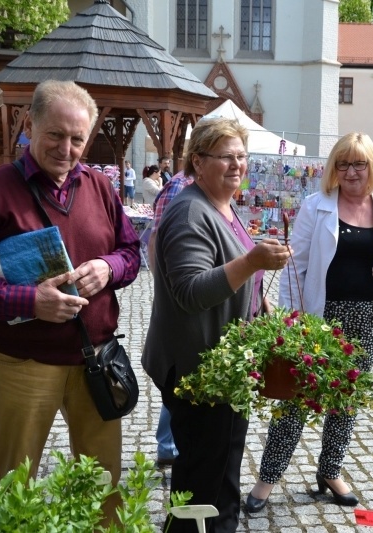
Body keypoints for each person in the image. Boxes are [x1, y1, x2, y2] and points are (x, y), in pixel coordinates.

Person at [0, 80, 141, 523]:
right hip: (25, 363)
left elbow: (131, 252)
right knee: (14, 484)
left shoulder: (101, 187)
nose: (66, 149)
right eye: (55, 135)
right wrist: (30, 301)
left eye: (77, 139)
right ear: (30, 126)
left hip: (96, 360)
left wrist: (108, 267)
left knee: (104, 487)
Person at [142, 117, 291, 533]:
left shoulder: (224, 205)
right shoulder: (190, 211)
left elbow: (234, 272)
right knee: (202, 482)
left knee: (220, 471)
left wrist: (260, 303)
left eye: (241, 156)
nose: (237, 164)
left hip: (224, 369)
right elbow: (190, 291)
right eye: (226, 156)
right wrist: (253, 261)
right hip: (198, 370)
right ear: (198, 161)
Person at [245, 132, 373, 512]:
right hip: (320, 318)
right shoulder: (316, 206)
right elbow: (294, 267)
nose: (351, 172)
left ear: (371, 166)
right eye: (343, 164)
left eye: (359, 164)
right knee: (297, 397)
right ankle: (268, 477)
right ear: (334, 168)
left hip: (368, 318)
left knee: (346, 399)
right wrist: (290, 322)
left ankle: (330, 470)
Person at [146, 168, 193, 469]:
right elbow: (156, 237)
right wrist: (164, 286)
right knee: (179, 374)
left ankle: (168, 444)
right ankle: (167, 444)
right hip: (181, 297)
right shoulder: (180, 186)